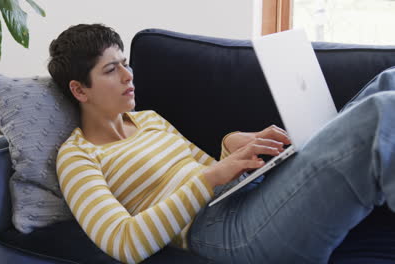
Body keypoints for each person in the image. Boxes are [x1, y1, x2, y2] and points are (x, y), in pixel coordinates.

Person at [48, 23, 395, 264]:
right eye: (111, 70)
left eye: (125, 64)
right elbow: (124, 242)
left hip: (245, 196)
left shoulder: (149, 119)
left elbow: (209, 171)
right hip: (219, 233)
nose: (128, 75)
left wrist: (234, 146)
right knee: (382, 112)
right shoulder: (77, 157)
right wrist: (214, 176)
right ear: (80, 90)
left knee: (388, 80)